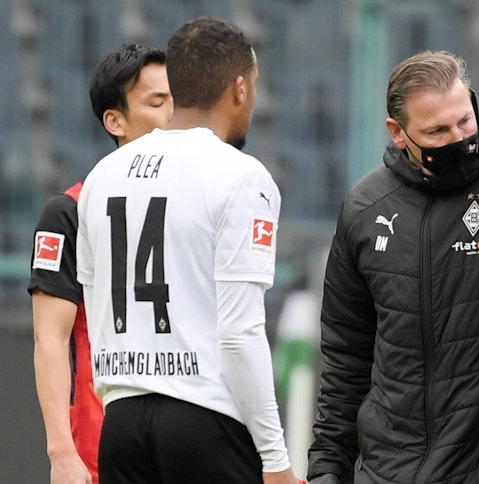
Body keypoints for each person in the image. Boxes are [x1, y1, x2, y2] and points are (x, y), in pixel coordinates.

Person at [76, 17, 300, 484]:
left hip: (121, 423)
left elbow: (96, 308)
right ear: (240, 88)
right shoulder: (242, 175)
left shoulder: (103, 176)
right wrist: (275, 459)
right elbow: (239, 332)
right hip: (205, 421)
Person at [307, 50, 479, 483]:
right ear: (398, 132)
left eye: (464, 121)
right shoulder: (364, 207)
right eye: (436, 131)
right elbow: (345, 358)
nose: (458, 138)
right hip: (386, 470)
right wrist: (326, 469)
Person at [29, 43, 172, 484]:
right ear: (116, 121)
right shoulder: (69, 212)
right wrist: (61, 454)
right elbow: (49, 338)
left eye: (177, 100)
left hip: (185, 446)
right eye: (157, 101)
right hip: (99, 450)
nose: (174, 114)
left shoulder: (198, 205)